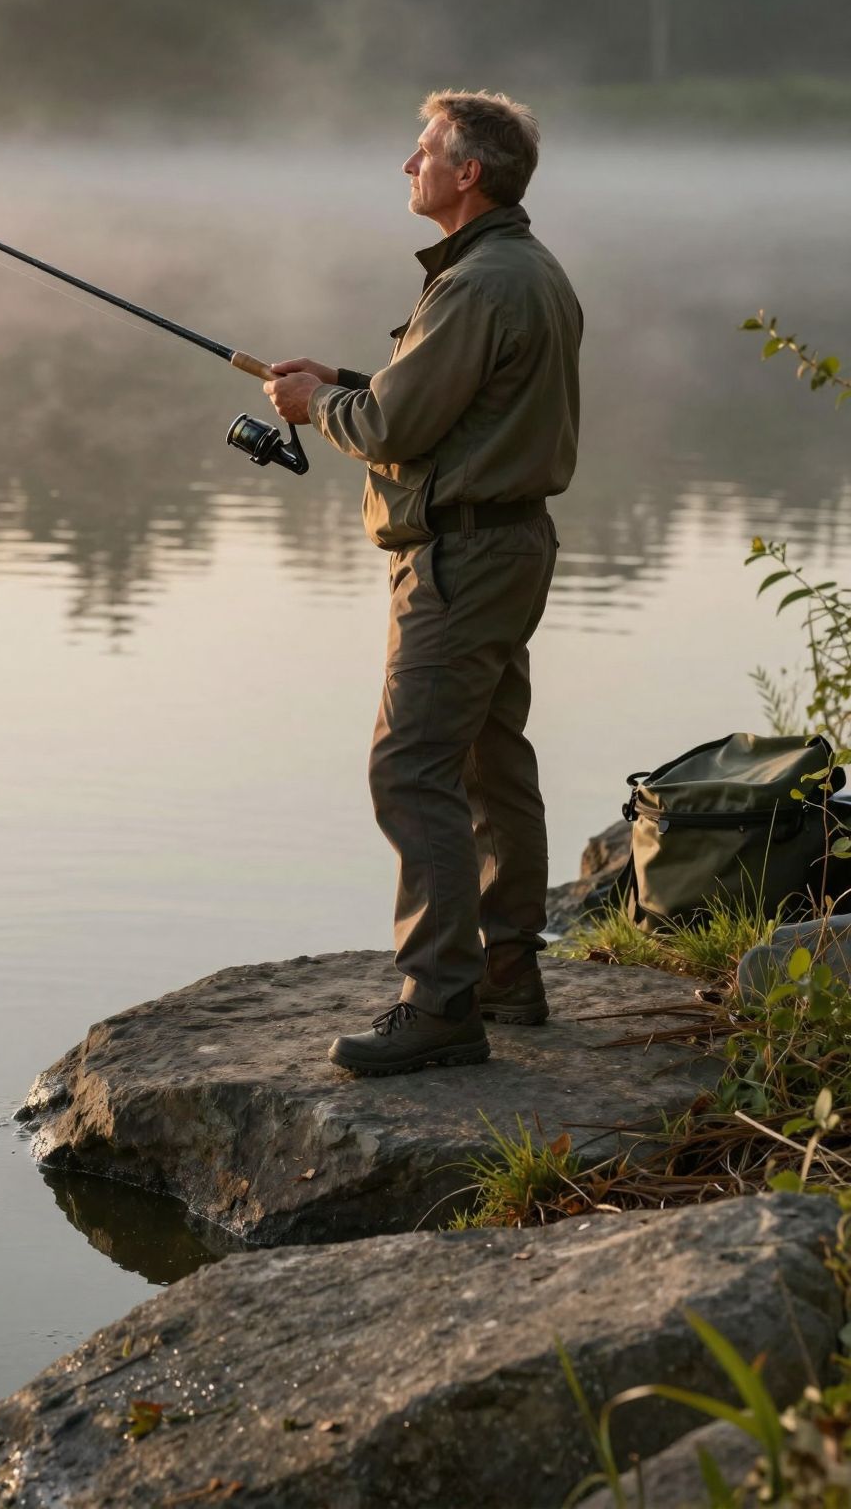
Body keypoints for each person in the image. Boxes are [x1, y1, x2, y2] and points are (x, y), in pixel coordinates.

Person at [265, 90, 582, 1076]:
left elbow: (395, 430)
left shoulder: (478, 282)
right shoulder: (519, 271)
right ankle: (508, 974)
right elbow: (451, 405)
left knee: (411, 767)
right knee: (490, 757)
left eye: (424, 152)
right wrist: (348, 382)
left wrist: (321, 404)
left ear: (468, 173)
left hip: (461, 559)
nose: (410, 167)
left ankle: (441, 1004)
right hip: (507, 544)